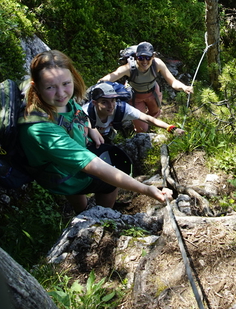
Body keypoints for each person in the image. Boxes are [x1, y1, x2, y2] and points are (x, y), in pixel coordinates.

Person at [18, 50, 172, 214]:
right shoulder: (41, 129)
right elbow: (93, 165)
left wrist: (91, 128)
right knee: (109, 183)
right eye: (50, 87)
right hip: (61, 175)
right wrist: (145, 189)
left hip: (64, 165)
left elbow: (78, 112)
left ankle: (82, 210)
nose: (61, 93)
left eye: (66, 83)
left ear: (73, 78)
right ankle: (102, 217)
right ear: (36, 86)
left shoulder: (58, 102)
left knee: (82, 189)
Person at [99, 41, 193, 133]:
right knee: (142, 129)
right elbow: (108, 78)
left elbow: (173, 82)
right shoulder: (128, 68)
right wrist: (99, 88)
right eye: (141, 58)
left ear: (153, 56)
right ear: (136, 57)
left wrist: (184, 87)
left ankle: (151, 124)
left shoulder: (157, 64)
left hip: (153, 92)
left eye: (148, 58)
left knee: (155, 112)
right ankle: (138, 129)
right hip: (136, 97)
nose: (144, 61)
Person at [83, 82, 186, 146]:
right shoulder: (85, 111)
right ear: (94, 103)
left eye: (113, 100)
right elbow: (80, 119)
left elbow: (147, 118)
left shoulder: (121, 108)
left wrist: (171, 128)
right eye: (104, 102)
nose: (111, 106)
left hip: (106, 134)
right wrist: (91, 128)